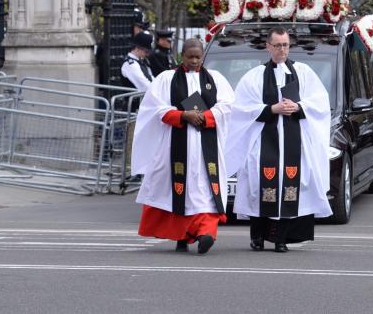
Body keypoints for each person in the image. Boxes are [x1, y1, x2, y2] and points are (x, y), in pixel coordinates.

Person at [225, 27, 332, 253]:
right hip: (264, 142)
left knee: (290, 188)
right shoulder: (254, 76)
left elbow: (320, 102)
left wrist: (299, 106)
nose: (282, 49)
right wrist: (271, 108)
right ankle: (257, 237)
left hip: (294, 143)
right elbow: (241, 109)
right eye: (277, 45)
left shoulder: (303, 72)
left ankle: (282, 238)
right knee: (259, 188)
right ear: (268, 47)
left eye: (285, 45)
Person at [131, 38, 235, 254]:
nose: (195, 61)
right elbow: (154, 108)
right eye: (190, 57)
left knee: (206, 191)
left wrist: (205, 116)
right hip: (175, 145)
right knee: (177, 190)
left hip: (207, 147)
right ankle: (181, 236)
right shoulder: (166, 79)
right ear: (182, 56)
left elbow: (228, 106)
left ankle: (205, 233)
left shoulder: (215, 79)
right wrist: (183, 115)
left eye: (198, 57)